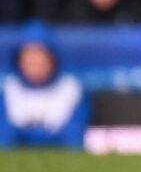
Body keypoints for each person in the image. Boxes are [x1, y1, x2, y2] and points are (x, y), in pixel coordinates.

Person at [0, 21, 89, 149]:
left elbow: (74, 140)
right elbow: (5, 140)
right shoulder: (8, 88)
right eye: (28, 56)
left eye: (40, 55)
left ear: (52, 58)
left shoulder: (71, 88)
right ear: (19, 60)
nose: (34, 62)